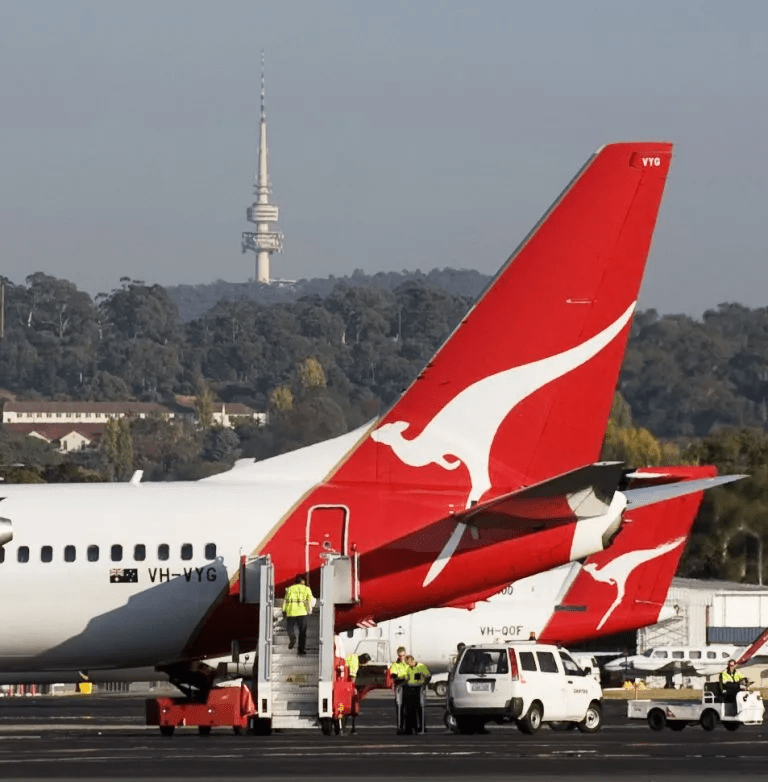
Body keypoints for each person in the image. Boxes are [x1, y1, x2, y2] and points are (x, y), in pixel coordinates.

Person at [282, 574, 314, 655]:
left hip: (291, 611)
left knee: (289, 628)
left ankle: (292, 637)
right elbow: (309, 600)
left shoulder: (289, 589)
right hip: (302, 612)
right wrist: (309, 610)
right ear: (303, 581)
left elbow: (285, 601)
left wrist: (284, 610)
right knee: (302, 632)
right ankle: (301, 650)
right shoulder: (306, 589)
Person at [402, 655, 430, 734]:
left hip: (418, 689)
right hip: (409, 689)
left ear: (412, 661)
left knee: (419, 709)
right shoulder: (407, 668)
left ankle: (421, 727)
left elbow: (428, 676)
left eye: (408, 663)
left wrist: (424, 684)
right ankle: (409, 728)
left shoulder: (420, 667)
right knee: (409, 711)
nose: (408, 665)